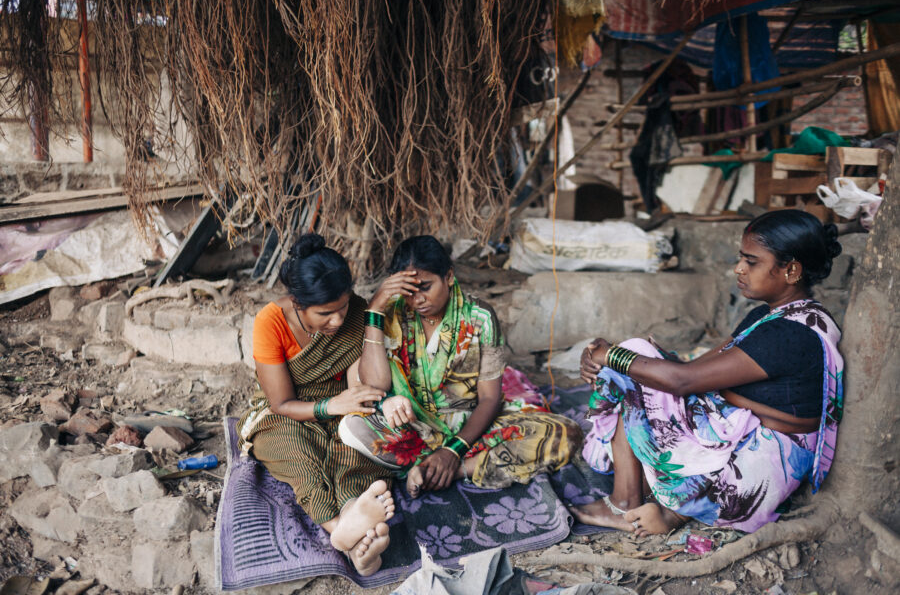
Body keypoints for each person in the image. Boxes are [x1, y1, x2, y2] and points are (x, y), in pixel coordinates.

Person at [571, 210, 844, 535]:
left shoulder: (791, 334)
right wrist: (613, 356)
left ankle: (628, 502)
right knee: (637, 363)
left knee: (633, 367)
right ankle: (662, 505)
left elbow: (683, 381)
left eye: (751, 262)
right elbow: (692, 369)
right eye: (741, 259)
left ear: (791, 270)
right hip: (745, 446)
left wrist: (610, 355)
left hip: (749, 478)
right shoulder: (774, 315)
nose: (738, 269)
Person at [339, 235, 582, 497]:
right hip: (414, 427)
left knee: (564, 434)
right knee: (352, 428)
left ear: (449, 277)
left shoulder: (480, 318)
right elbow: (375, 385)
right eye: (409, 292)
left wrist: (452, 451)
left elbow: (489, 399)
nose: (417, 299)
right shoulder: (392, 314)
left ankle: (451, 469)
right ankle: (434, 466)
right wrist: (375, 309)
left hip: (468, 427)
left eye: (425, 287)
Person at [235, 234, 395, 576]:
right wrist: (330, 406)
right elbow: (280, 403)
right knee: (301, 455)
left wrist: (374, 313)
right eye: (325, 313)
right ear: (297, 302)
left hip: (342, 401)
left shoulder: (355, 312)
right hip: (286, 414)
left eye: (343, 307)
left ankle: (355, 513)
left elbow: (370, 384)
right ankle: (346, 535)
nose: (338, 320)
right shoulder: (271, 322)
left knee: (355, 450)